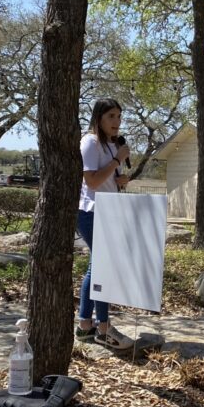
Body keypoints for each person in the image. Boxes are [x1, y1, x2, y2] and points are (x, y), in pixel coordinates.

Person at [76, 98, 134, 351]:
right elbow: (91, 182)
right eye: (111, 116)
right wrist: (117, 161)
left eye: (119, 116)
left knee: (97, 268)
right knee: (102, 269)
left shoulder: (112, 145)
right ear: (98, 117)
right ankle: (103, 328)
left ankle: (85, 325)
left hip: (109, 210)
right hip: (91, 212)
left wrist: (119, 179)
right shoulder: (90, 142)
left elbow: (105, 178)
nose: (116, 121)